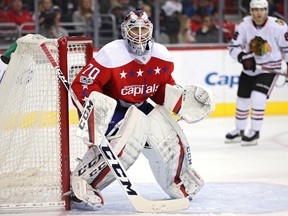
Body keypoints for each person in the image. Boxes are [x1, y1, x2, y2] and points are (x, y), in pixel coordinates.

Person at [69, 9, 215, 210]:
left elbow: (161, 89)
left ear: (151, 31)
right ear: (125, 31)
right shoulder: (111, 53)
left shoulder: (161, 55)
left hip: (142, 106)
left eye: (143, 29)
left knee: (171, 142)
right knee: (124, 147)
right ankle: (83, 183)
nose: (139, 35)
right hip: (115, 108)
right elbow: (83, 84)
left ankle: (177, 182)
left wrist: (179, 100)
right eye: (134, 29)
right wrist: (97, 110)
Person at [225, 0, 288, 146]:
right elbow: (233, 47)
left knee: (258, 97)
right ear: (251, 11)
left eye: (261, 9)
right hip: (250, 69)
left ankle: (254, 132)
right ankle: (239, 130)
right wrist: (242, 57)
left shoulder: (279, 26)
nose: (258, 13)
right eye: (255, 10)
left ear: (267, 10)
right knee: (242, 99)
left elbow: (287, 48)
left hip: (270, 68)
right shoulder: (243, 25)